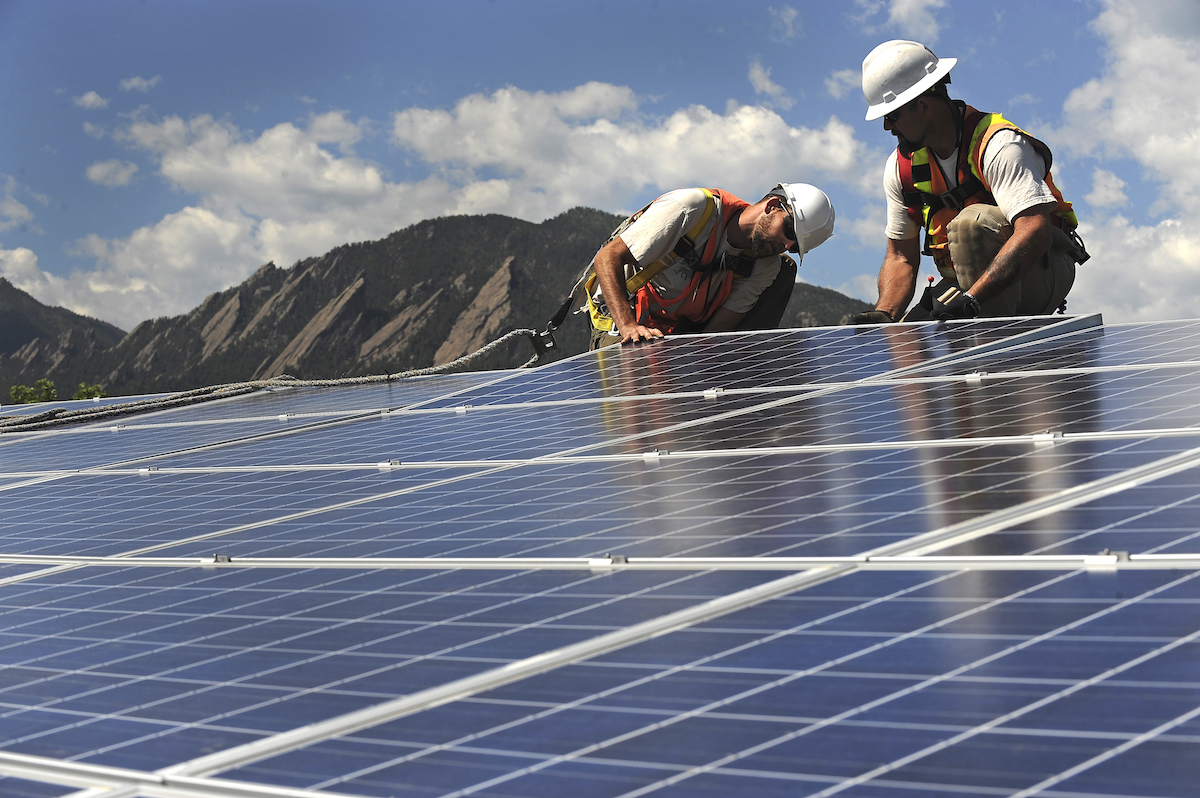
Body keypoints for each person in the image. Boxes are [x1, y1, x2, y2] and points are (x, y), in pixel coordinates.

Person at [845, 40, 1087, 325]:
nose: (888, 126)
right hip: (964, 282)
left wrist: (971, 300)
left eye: (892, 115)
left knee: (971, 224)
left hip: (1042, 268)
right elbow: (901, 257)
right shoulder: (901, 169)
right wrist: (885, 315)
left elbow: (1035, 231)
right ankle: (969, 334)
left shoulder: (998, 145)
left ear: (923, 106)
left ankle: (989, 354)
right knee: (909, 344)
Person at [585, 183, 835, 348]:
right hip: (623, 315)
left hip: (676, 329)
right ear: (771, 206)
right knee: (635, 370)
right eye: (789, 230)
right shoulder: (692, 209)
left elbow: (716, 331)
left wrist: (697, 366)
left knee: (784, 269)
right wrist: (628, 326)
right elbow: (608, 258)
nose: (786, 243)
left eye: (795, 246)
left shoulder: (766, 266)